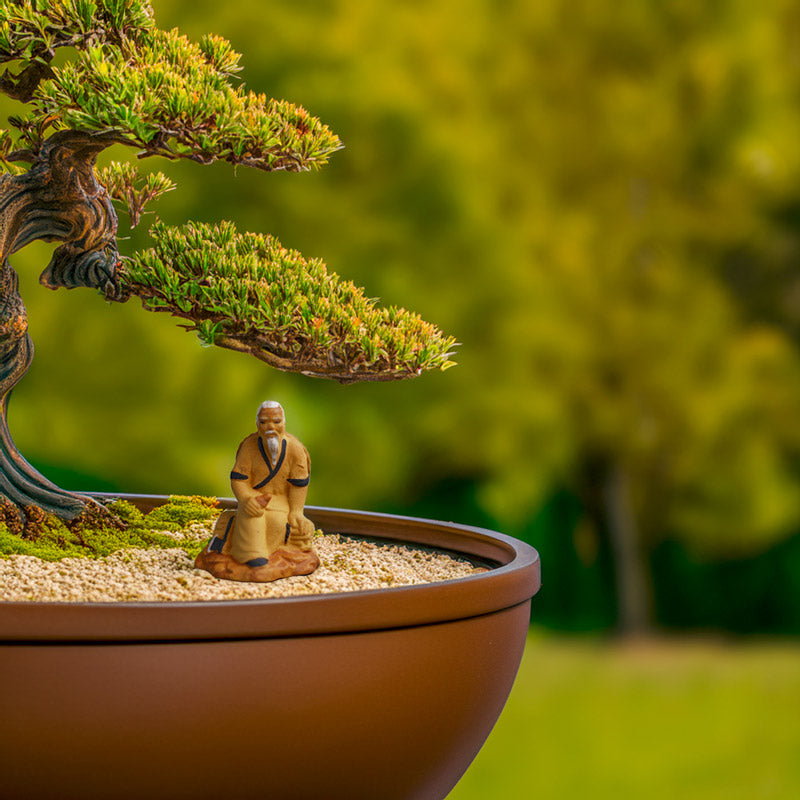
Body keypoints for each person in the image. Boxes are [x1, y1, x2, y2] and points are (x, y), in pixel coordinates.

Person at [195, 401, 320, 582]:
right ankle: (251, 556)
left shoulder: (295, 449)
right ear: (257, 424)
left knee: (287, 523)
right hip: (256, 497)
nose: (270, 427)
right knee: (252, 512)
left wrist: (296, 511)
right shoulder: (249, 446)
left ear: (284, 423)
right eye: (264, 422)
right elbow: (239, 480)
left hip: (282, 503)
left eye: (276, 422)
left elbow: (298, 484)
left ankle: (275, 553)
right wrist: (246, 498)